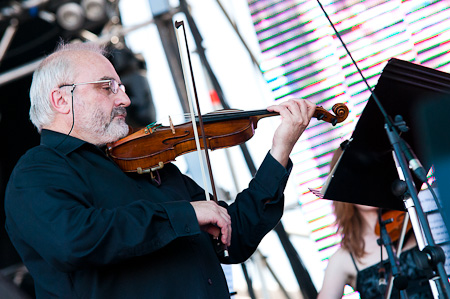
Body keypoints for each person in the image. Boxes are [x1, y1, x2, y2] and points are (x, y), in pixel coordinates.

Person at [3, 41, 316, 298]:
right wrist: (184, 215)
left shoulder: (144, 163)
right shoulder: (38, 171)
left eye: (121, 86)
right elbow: (75, 241)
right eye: (107, 87)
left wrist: (280, 151)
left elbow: (235, 235)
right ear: (61, 99)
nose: (124, 98)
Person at [317, 148, 434, 299]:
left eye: (370, 174)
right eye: (356, 178)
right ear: (342, 188)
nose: (366, 184)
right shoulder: (343, 259)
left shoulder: (416, 225)